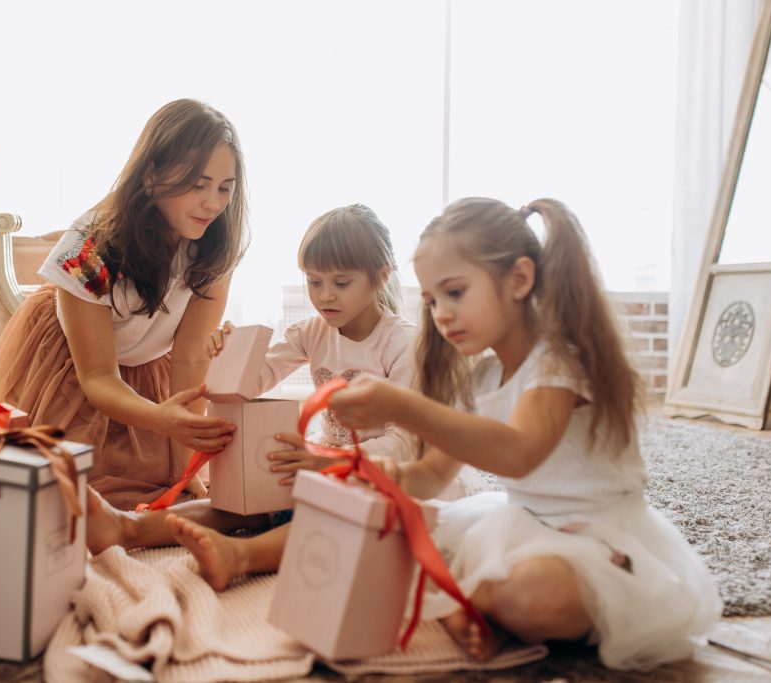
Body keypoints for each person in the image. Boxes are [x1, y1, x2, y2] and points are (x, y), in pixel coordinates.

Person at [327, 197, 721, 671]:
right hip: (517, 523)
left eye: (455, 292)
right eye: (432, 301)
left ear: (518, 279)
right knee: (386, 528)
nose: (441, 315)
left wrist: (403, 405)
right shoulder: (481, 379)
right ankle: (249, 555)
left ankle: (461, 598)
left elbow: (518, 455)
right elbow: (432, 477)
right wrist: (378, 474)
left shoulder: (559, 363)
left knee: (538, 595)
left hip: (598, 537)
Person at [87, 204, 489, 589]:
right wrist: (226, 354)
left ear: (380, 277)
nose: (325, 296)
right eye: (314, 282)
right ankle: (128, 528)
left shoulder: (401, 343)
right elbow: (253, 382)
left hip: (384, 470)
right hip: (327, 460)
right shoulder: (312, 331)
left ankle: (241, 555)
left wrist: (326, 464)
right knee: (248, 497)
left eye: (341, 283)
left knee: (326, 512)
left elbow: (406, 444)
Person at [0, 99, 248, 511]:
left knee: (176, 489)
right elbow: (98, 377)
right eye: (198, 184)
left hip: (146, 366)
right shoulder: (89, 247)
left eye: (225, 188)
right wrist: (159, 419)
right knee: (68, 498)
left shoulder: (214, 247)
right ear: (153, 173)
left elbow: (191, 356)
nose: (213, 203)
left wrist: (186, 466)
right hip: (73, 365)